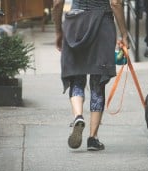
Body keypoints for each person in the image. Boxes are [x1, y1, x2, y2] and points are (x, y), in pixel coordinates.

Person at [53, 0, 128, 151]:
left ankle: (78, 116)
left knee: (77, 77)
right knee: (97, 81)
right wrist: (124, 34)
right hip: (102, 24)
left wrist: (58, 31)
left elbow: (57, 3)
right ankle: (93, 138)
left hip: (75, 23)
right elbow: (115, 3)